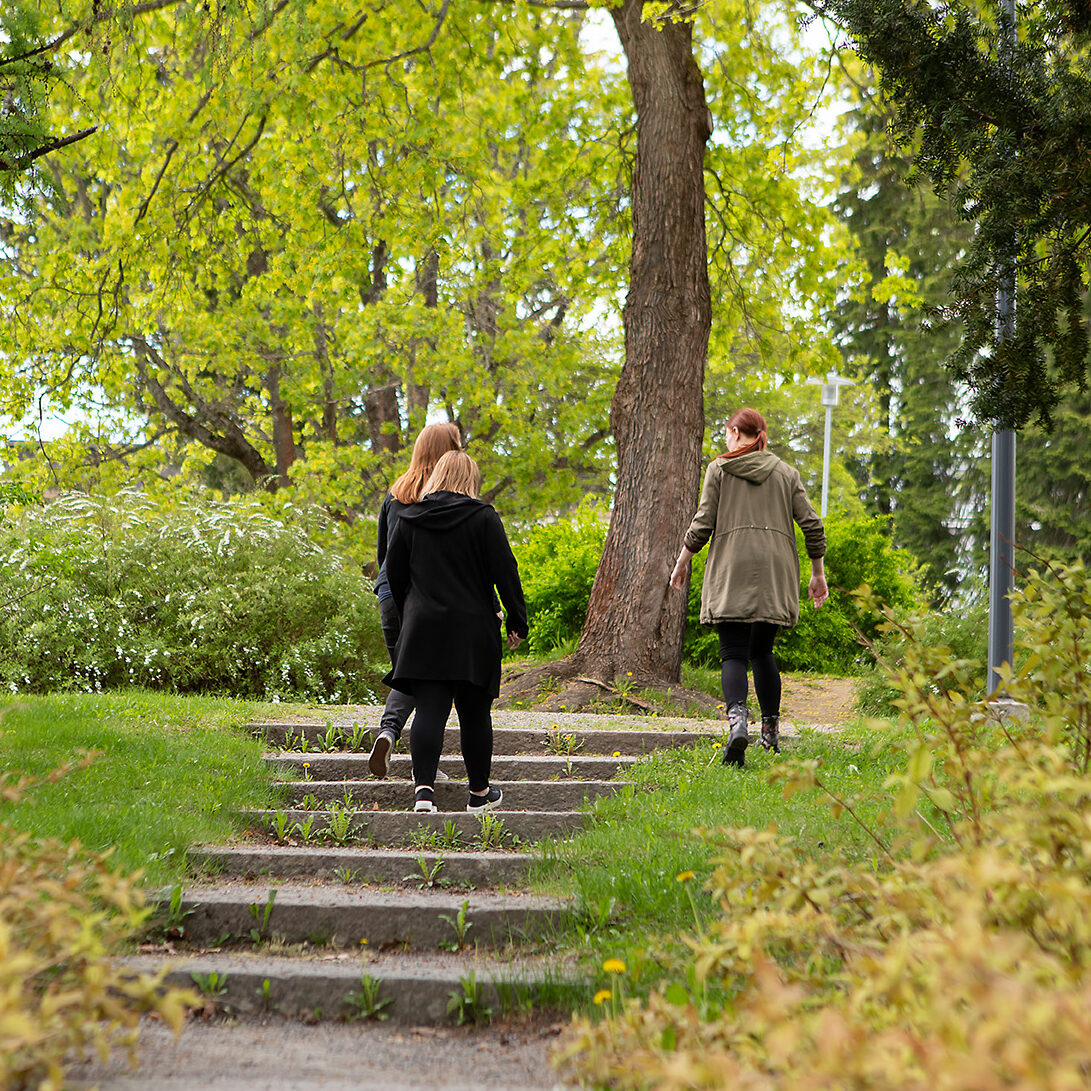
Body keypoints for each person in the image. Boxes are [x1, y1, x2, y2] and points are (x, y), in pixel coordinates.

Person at [669, 407, 827, 767]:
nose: (725, 440)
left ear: (741, 433)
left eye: (728, 433)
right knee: (762, 651)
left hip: (733, 568)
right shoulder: (787, 474)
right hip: (775, 571)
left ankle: (737, 722)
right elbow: (813, 526)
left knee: (734, 653)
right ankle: (770, 735)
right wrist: (817, 574)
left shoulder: (719, 470)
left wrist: (682, 561)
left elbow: (703, 522)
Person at [383, 451, 528, 813]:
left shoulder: (410, 517)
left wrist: (410, 616)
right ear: (470, 480)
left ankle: (423, 794)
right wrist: (516, 619)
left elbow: (395, 577)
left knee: (430, 710)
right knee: (474, 712)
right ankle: (479, 794)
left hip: (423, 629)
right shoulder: (483, 518)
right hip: (473, 629)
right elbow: (505, 571)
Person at [369, 422, 463, 778]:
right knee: (429, 683)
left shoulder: (396, 491)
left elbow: (384, 553)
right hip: (423, 599)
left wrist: (390, 591)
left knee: (408, 677)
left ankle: (392, 736)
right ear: (449, 451)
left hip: (388, 594)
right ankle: (419, 761)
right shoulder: (442, 497)